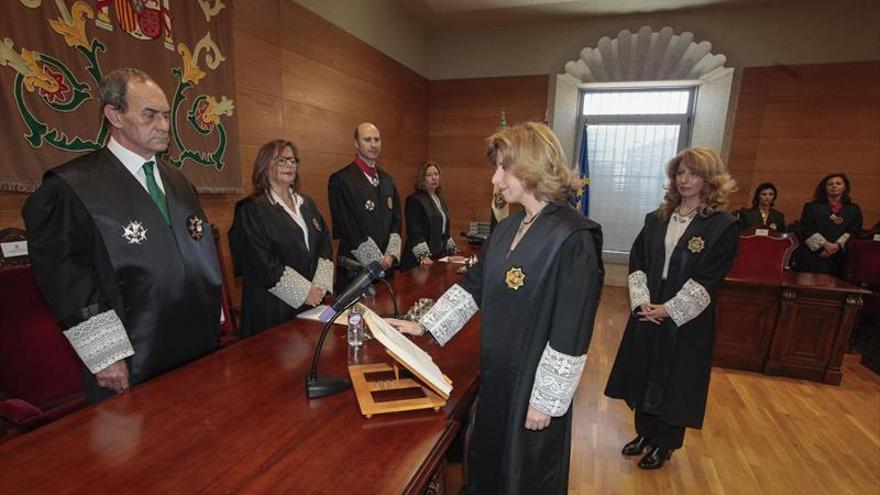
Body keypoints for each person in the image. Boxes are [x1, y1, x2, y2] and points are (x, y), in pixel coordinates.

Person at [389, 122, 604, 494]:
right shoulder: (508, 228)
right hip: (496, 376)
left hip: (532, 389)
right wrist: (425, 325)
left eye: (504, 167)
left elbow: (573, 327)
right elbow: (474, 286)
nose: (495, 178)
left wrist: (546, 402)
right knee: (487, 466)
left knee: (524, 476)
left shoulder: (573, 237)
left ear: (532, 165)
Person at [22, 68, 221, 403]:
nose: (163, 125)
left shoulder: (178, 181)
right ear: (114, 114)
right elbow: (65, 276)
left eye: (166, 115)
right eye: (150, 115)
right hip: (130, 355)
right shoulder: (73, 186)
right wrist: (106, 354)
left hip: (194, 345)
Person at [604, 147, 739, 470]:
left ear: (710, 180)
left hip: (687, 316)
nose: (684, 179)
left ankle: (665, 444)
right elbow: (638, 260)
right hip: (649, 306)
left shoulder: (721, 226)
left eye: (692, 173)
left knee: (675, 379)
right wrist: (642, 301)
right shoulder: (658, 217)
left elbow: (710, 277)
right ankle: (644, 434)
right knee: (645, 369)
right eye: (679, 173)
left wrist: (668, 309)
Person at [228, 139, 333, 338]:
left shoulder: (307, 203)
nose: (289, 165)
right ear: (264, 165)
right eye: (281, 160)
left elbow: (324, 242)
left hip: (311, 304)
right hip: (271, 309)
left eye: (293, 161)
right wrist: (304, 292)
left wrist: (319, 286)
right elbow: (262, 262)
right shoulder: (251, 209)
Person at [327, 122, 401, 289]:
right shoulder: (341, 180)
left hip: (387, 269)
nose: (373, 144)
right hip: (356, 270)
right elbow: (347, 226)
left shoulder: (387, 179)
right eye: (367, 140)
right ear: (356, 143)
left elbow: (396, 220)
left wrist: (390, 255)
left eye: (377, 139)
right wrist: (376, 260)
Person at [791, 173, 863, 276]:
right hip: (813, 254)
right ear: (824, 188)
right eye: (830, 184)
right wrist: (824, 246)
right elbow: (807, 229)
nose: (834, 186)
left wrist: (836, 246)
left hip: (839, 257)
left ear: (845, 187)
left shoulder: (853, 209)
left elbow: (854, 231)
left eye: (838, 183)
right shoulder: (811, 207)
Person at [401, 161, 458, 270]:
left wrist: (452, 248)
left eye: (436, 174)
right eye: (429, 175)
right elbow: (414, 231)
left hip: (436, 256)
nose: (434, 178)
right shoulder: (415, 200)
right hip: (417, 260)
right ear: (422, 179)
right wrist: (423, 255)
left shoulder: (440, 200)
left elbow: (443, 229)